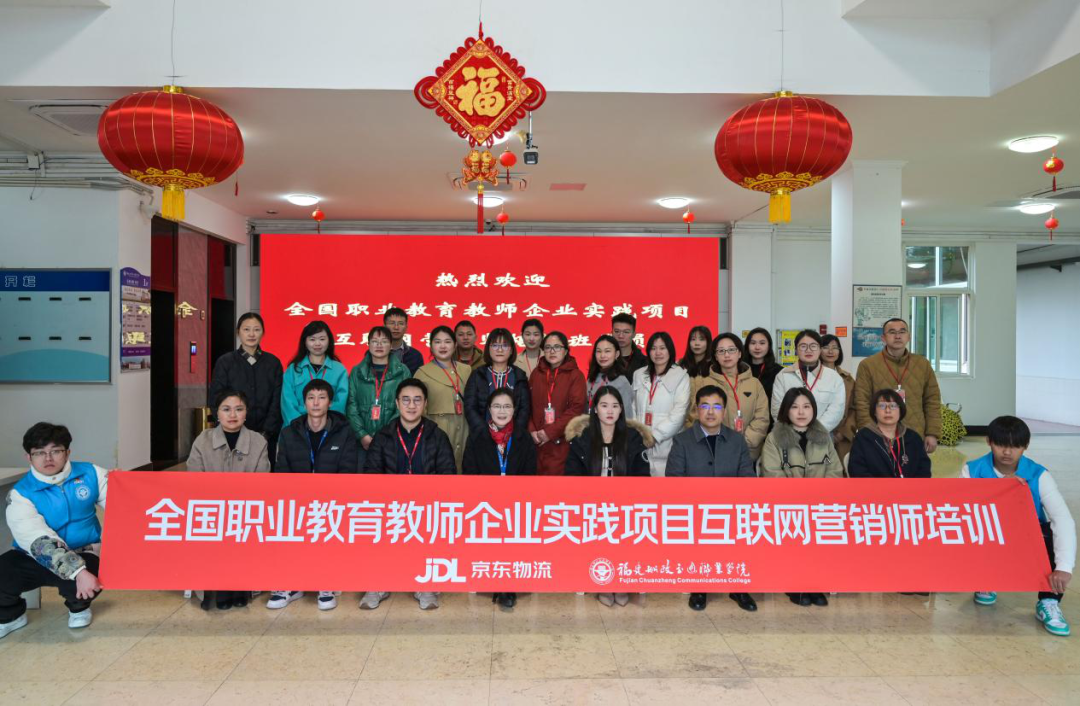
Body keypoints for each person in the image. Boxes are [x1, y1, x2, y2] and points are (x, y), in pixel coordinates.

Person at [965, 416, 1076, 637]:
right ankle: (985, 579)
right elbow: (961, 512)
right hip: (990, 533)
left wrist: (1064, 566)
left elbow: (1063, 519)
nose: (1007, 452)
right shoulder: (972, 470)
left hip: (1027, 536)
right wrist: (1000, 488)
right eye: (1001, 444)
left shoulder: (1038, 475)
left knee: (1050, 535)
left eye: (1015, 446)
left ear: (1025, 446)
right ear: (989, 442)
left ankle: (1049, 601)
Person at [0, 423, 107, 638]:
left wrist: (124, 484)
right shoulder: (21, 494)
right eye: (39, 453)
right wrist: (77, 572)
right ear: (29, 457)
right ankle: (11, 616)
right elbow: (39, 541)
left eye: (55, 451)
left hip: (85, 550)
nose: (48, 458)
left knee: (88, 575)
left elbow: (124, 506)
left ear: (67, 452)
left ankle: (79, 607)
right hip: (33, 555)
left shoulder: (92, 473)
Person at [361, 379, 456, 611]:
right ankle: (378, 584)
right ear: (396, 403)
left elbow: (448, 476)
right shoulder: (383, 436)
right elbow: (371, 476)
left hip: (427, 506)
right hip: (390, 506)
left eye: (417, 400)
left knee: (437, 521)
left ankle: (426, 584)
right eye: (406, 400)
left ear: (425, 404)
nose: (411, 406)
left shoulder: (437, 436)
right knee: (369, 520)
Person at [271, 379, 359, 612]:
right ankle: (290, 584)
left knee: (326, 526)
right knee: (286, 527)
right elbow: (282, 471)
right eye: (311, 398)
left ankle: (324, 583)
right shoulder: (289, 433)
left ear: (330, 402)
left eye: (321, 397)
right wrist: (298, 499)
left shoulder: (344, 433)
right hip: (297, 501)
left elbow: (348, 470)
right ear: (304, 403)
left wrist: (327, 499)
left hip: (331, 502)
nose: (316, 402)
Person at [667, 385, 756, 613]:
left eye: (716, 407)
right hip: (695, 511)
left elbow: (747, 477)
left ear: (724, 411)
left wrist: (731, 503)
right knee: (698, 532)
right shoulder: (682, 441)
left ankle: (738, 587)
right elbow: (674, 479)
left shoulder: (736, 440)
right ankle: (700, 587)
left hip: (730, 509)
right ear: (696, 410)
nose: (710, 412)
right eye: (704, 406)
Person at [565, 387, 651, 608]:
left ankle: (620, 581)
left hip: (626, 504)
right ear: (595, 409)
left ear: (621, 409)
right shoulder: (583, 438)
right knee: (599, 529)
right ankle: (604, 582)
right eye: (604, 406)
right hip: (591, 504)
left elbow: (643, 475)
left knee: (624, 531)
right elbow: (572, 475)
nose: (610, 411)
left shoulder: (633, 438)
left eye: (615, 406)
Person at [759, 388, 843, 607]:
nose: (801, 412)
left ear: (813, 409)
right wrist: (799, 498)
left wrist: (818, 499)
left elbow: (835, 471)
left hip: (820, 506)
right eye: (795, 407)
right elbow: (772, 474)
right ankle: (795, 585)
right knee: (794, 537)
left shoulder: (824, 437)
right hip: (788, 506)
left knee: (820, 540)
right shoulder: (774, 439)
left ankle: (814, 584)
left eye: (806, 407)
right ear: (786, 411)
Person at [188, 390, 270, 610]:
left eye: (238, 409)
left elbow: (262, 480)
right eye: (226, 409)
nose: (232, 415)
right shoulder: (203, 440)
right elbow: (193, 480)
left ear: (246, 413)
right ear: (217, 413)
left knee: (242, 530)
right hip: (211, 508)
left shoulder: (258, 441)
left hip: (245, 509)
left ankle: (240, 587)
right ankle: (221, 587)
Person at [461, 388, 538, 610]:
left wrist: (512, 497)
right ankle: (491, 577)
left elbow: (530, 475)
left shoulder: (523, 438)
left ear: (514, 410)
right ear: (489, 409)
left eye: (506, 406)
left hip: (516, 504)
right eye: (496, 406)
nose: (501, 411)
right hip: (485, 504)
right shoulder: (477, 437)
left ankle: (507, 585)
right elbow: (469, 473)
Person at [854, 318, 942, 455]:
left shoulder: (922, 364)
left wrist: (932, 433)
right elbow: (861, 402)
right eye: (892, 332)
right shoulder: (868, 365)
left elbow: (932, 400)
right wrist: (870, 434)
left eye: (902, 332)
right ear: (883, 338)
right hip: (880, 435)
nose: (897, 336)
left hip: (915, 433)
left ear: (908, 336)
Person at [208, 312, 283, 469]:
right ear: (238, 332)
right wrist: (230, 426)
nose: (251, 334)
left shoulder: (273, 363)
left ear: (263, 332)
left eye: (256, 329)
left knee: (264, 475)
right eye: (246, 329)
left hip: (266, 435)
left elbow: (277, 400)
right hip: (231, 432)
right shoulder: (225, 362)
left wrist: (267, 432)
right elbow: (216, 398)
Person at [687, 333, 770, 460]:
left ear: (740, 353)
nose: (726, 355)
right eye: (721, 351)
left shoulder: (754, 384)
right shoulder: (704, 383)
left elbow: (762, 418)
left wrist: (743, 441)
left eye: (731, 350)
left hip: (747, 452)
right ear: (716, 356)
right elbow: (696, 416)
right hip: (713, 452)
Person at [346, 326, 410, 469]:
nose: (379, 345)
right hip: (362, 442)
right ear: (368, 344)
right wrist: (362, 435)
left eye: (384, 341)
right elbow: (351, 404)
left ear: (391, 345)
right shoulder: (357, 371)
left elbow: (405, 405)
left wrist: (386, 435)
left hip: (393, 440)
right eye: (375, 341)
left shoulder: (402, 371)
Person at [631, 332, 691, 476]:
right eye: (653, 348)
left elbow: (680, 413)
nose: (658, 353)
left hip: (668, 447)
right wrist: (638, 434)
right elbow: (632, 407)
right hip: (640, 445)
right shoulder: (639, 374)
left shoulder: (681, 376)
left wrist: (655, 436)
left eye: (662, 348)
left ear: (670, 350)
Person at [528, 331, 588, 475]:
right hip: (536, 443)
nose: (552, 351)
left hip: (562, 445)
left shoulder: (576, 375)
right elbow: (527, 405)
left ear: (565, 350)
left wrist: (549, 433)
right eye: (548, 347)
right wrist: (531, 430)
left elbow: (576, 409)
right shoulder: (536, 374)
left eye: (557, 347)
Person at [415, 325, 472, 471]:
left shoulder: (466, 370)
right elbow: (418, 410)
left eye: (447, 341)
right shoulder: (422, 373)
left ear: (455, 345)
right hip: (437, 429)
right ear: (431, 346)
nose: (443, 346)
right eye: (437, 342)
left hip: (465, 429)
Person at [770, 330, 846, 434]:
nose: (808, 350)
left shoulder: (834, 378)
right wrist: (795, 431)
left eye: (813, 346)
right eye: (803, 346)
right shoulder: (783, 376)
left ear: (820, 349)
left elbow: (836, 410)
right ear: (796, 350)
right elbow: (777, 408)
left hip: (822, 434)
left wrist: (816, 431)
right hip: (790, 434)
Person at [847, 389, 931, 479]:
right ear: (874, 411)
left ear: (900, 410)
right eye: (882, 406)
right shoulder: (863, 437)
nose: (888, 410)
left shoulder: (913, 438)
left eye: (893, 406)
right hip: (873, 487)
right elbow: (857, 471)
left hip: (910, 488)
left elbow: (924, 471)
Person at [463, 327, 531, 437]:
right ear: (488, 349)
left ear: (511, 350)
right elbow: (470, 407)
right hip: (483, 436)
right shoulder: (478, 375)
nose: (500, 350)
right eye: (495, 345)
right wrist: (484, 431)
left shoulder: (519, 376)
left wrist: (513, 433)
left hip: (512, 437)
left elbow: (525, 409)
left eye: (505, 345)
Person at [281, 320, 348, 426]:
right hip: (296, 429)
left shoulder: (339, 370)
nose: (317, 343)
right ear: (305, 342)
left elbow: (340, 404)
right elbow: (288, 405)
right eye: (312, 339)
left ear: (329, 341)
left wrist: (325, 425)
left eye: (322, 339)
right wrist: (300, 427)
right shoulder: (293, 370)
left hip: (330, 429)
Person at [820, 334, 858, 462]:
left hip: (841, 436)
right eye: (826, 347)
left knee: (841, 469)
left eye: (835, 347)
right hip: (818, 432)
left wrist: (844, 431)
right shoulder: (811, 377)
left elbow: (854, 408)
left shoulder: (847, 379)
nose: (830, 351)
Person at [585, 335, 635, 418]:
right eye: (598, 351)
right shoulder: (591, 379)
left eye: (607, 351)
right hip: (591, 424)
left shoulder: (621, 382)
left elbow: (627, 416)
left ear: (617, 354)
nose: (602, 355)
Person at [743, 327, 783, 404]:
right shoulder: (740, 369)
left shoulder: (779, 371)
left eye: (762, 343)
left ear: (769, 346)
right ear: (747, 346)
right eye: (753, 343)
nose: (757, 347)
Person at [383, 306, 423, 374]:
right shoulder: (375, 353)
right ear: (384, 326)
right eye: (392, 323)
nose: (396, 327)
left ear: (406, 327)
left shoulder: (415, 356)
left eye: (401, 323)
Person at [611, 313, 647, 381]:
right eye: (617, 331)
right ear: (612, 333)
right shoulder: (604, 359)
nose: (621, 336)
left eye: (626, 332)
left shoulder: (645, 362)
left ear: (634, 334)